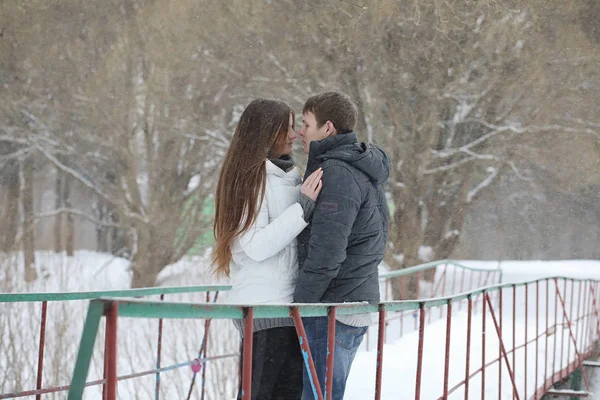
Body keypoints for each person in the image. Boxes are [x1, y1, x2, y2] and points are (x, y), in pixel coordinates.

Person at [212, 98, 323, 400]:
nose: (293, 135)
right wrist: (302, 209)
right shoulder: (251, 179)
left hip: (288, 307)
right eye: (285, 128)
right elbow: (255, 246)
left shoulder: (287, 176)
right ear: (265, 132)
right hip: (264, 309)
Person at [294, 91, 390, 400]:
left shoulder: (337, 173)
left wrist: (298, 306)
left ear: (328, 128)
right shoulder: (361, 168)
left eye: (306, 124)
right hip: (352, 302)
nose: (300, 132)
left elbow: (327, 251)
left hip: (331, 307)